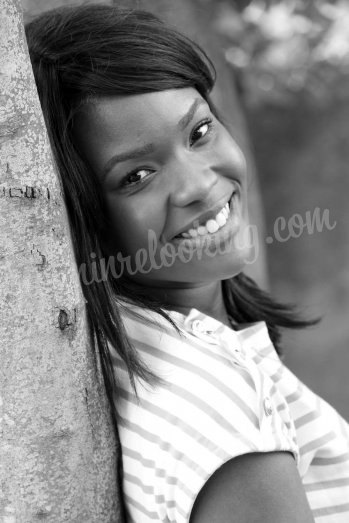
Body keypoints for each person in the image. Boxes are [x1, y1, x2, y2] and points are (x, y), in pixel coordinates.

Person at [25, 5, 349, 522]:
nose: (198, 185)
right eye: (136, 176)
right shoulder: (220, 412)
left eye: (199, 132)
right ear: (85, 219)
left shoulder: (159, 352)